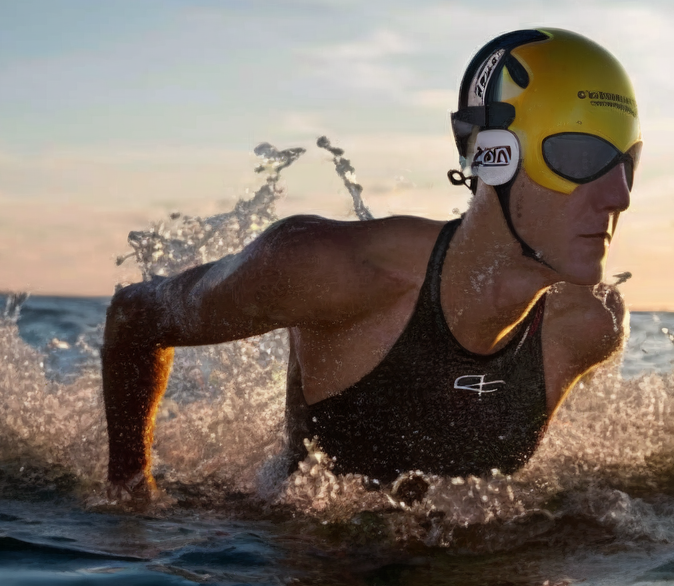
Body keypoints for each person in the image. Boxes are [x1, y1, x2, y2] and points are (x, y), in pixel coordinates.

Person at [101, 28, 640, 499]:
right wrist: (132, 490)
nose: (618, 196)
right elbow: (133, 316)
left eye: (626, 163)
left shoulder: (587, 327)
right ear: (494, 154)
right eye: (581, 156)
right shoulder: (335, 270)